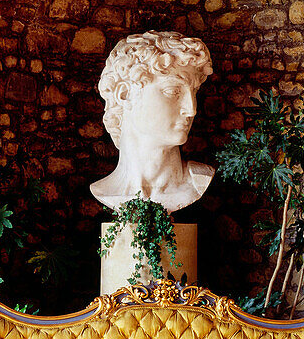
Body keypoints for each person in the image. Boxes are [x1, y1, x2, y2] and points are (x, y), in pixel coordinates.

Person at [91, 31, 214, 213]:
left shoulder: (198, 181)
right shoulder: (103, 191)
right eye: (173, 92)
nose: (191, 109)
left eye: (194, 92)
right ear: (125, 95)